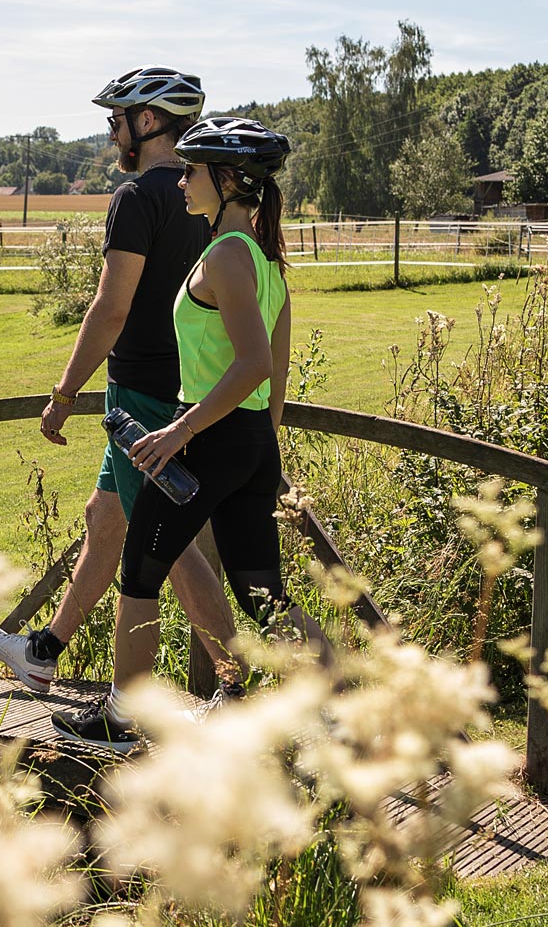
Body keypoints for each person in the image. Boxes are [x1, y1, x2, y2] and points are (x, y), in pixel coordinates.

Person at [0, 67, 246, 748]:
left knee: (172, 547)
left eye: (118, 118)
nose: (110, 130)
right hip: (185, 387)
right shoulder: (202, 198)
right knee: (108, 519)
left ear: (149, 122)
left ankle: (236, 686)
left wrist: (64, 393)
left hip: (140, 397)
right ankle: (44, 652)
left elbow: (111, 306)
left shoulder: (136, 197)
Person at [55, 115, 329, 748]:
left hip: (212, 439)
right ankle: (331, 709)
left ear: (227, 181)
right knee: (263, 592)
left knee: (141, 568)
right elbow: (274, 379)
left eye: (192, 170)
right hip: (248, 440)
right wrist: (261, 450)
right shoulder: (264, 261)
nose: (181, 180)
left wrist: (180, 433)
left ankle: (127, 715)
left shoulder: (228, 255)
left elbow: (254, 363)